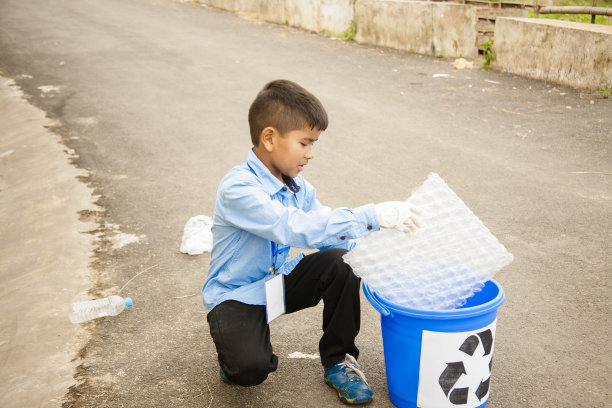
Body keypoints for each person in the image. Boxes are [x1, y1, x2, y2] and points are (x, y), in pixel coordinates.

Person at [202, 79, 424, 405]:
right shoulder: (238, 189)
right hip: (236, 297)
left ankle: (339, 361)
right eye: (305, 143)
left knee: (343, 261)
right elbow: (294, 227)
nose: (311, 154)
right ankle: (236, 354)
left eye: (313, 144)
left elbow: (328, 231)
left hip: (274, 285)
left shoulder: (298, 187)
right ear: (269, 138)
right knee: (250, 370)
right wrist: (373, 213)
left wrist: (380, 247)